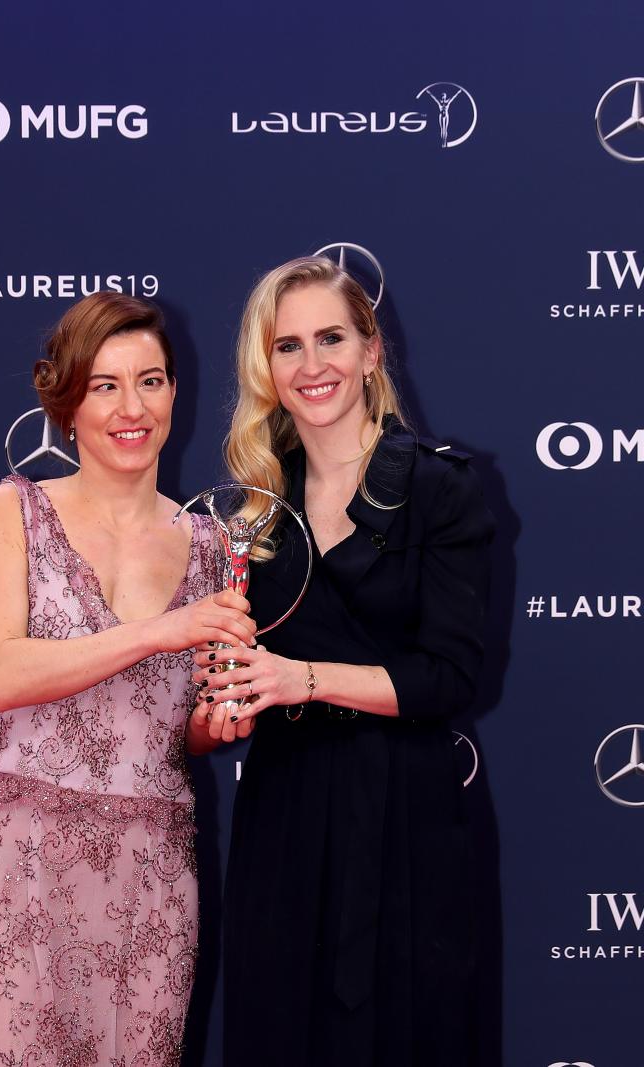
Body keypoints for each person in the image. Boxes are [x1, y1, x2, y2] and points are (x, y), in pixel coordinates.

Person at [192, 256, 495, 1066]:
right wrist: (225, 707)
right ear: (267, 369)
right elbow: (230, 675)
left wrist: (301, 678)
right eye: (287, 346)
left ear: (371, 352)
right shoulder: (254, 505)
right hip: (284, 812)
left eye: (331, 337)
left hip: (407, 815)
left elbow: (455, 678)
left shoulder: (444, 489)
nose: (312, 363)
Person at [0, 291, 256, 1067]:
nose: (132, 407)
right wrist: (161, 630)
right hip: (21, 865)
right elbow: (1, 673)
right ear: (68, 399)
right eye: (105, 384)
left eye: (150, 381)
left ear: (175, 393)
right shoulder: (13, 512)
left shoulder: (212, 544)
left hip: (150, 875)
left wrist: (217, 722)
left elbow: (179, 722)